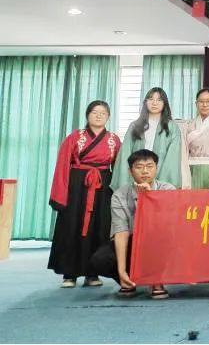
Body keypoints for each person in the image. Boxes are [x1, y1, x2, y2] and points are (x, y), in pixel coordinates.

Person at [48, 100, 122, 288]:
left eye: (103, 113)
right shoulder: (75, 137)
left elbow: (119, 168)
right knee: (71, 226)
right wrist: (60, 195)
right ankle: (69, 274)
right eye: (94, 112)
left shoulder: (114, 140)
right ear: (87, 115)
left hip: (103, 188)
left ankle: (92, 273)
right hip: (77, 187)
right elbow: (62, 166)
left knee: (99, 228)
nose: (98, 116)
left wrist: (119, 194)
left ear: (108, 117)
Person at [89, 149, 175, 299]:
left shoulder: (168, 190)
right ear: (130, 171)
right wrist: (121, 271)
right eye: (139, 167)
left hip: (161, 243)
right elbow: (121, 232)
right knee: (100, 259)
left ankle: (157, 280)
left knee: (161, 241)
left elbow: (168, 225)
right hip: (133, 243)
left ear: (156, 168)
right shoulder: (119, 195)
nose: (145, 171)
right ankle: (128, 280)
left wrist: (149, 197)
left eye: (149, 166)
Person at [111, 87, 186, 190]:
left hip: (160, 173)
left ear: (164, 103)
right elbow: (125, 154)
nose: (154, 103)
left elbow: (172, 158)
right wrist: (127, 176)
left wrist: (162, 183)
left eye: (159, 100)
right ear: (145, 102)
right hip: (136, 173)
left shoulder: (172, 127)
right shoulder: (135, 125)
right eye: (151, 99)